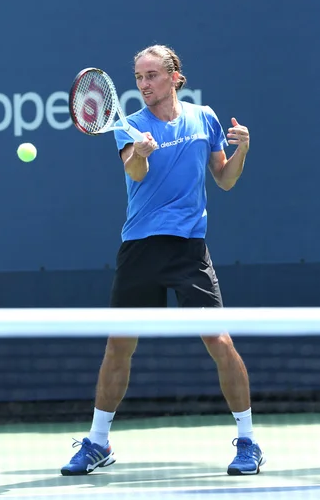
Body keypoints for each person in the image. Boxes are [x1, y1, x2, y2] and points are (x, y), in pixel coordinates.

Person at [61, 44, 265, 477]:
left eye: (152, 75)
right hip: (140, 248)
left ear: (175, 76)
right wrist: (141, 153)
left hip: (189, 249)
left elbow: (224, 180)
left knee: (220, 342)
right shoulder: (130, 126)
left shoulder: (204, 117)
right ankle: (98, 442)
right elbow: (134, 174)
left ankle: (248, 441)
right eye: (138, 77)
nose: (143, 84)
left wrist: (242, 150)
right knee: (119, 346)